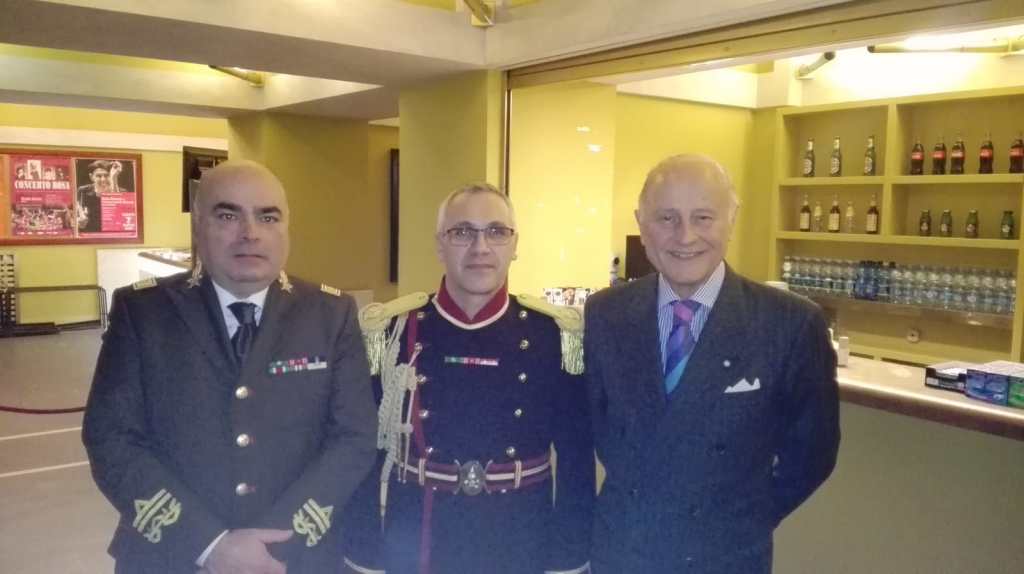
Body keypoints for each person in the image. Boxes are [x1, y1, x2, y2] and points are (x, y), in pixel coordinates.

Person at [82, 160, 378, 574]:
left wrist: (274, 542)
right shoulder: (143, 313)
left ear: (286, 228)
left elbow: (353, 438)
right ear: (198, 226)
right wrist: (209, 545)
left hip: (294, 558)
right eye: (227, 215)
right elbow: (112, 439)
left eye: (268, 217)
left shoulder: (330, 314)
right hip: (171, 555)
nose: (250, 233)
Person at [584, 154, 840, 573]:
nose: (685, 236)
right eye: (666, 218)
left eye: (703, 217)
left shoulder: (790, 324)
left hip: (726, 557)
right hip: (621, 551)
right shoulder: (605, 313)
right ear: (641, 225)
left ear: (731, 219)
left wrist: (740, 520)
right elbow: (599, 431)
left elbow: (813, 455)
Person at [342, 183, 594, 574]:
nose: (480, 247)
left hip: (522, 536)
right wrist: (365, 557)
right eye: (462, 232)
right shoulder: (392, 332)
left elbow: (576, 461)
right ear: (439, 245)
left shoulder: (554, 335)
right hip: (418, 537)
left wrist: (568, 562)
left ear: (515, 245)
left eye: (497, 231)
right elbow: (365, 452)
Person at [76, 160, 129, 232]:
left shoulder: (122, 192)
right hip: (90, 234)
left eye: (107, 175)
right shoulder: (83, 191)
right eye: (98, 176)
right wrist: (79, 221)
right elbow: (77, 214)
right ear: (91, 177)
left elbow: (120, 217)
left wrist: (114, 178)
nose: (103, 179)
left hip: (112, 235)